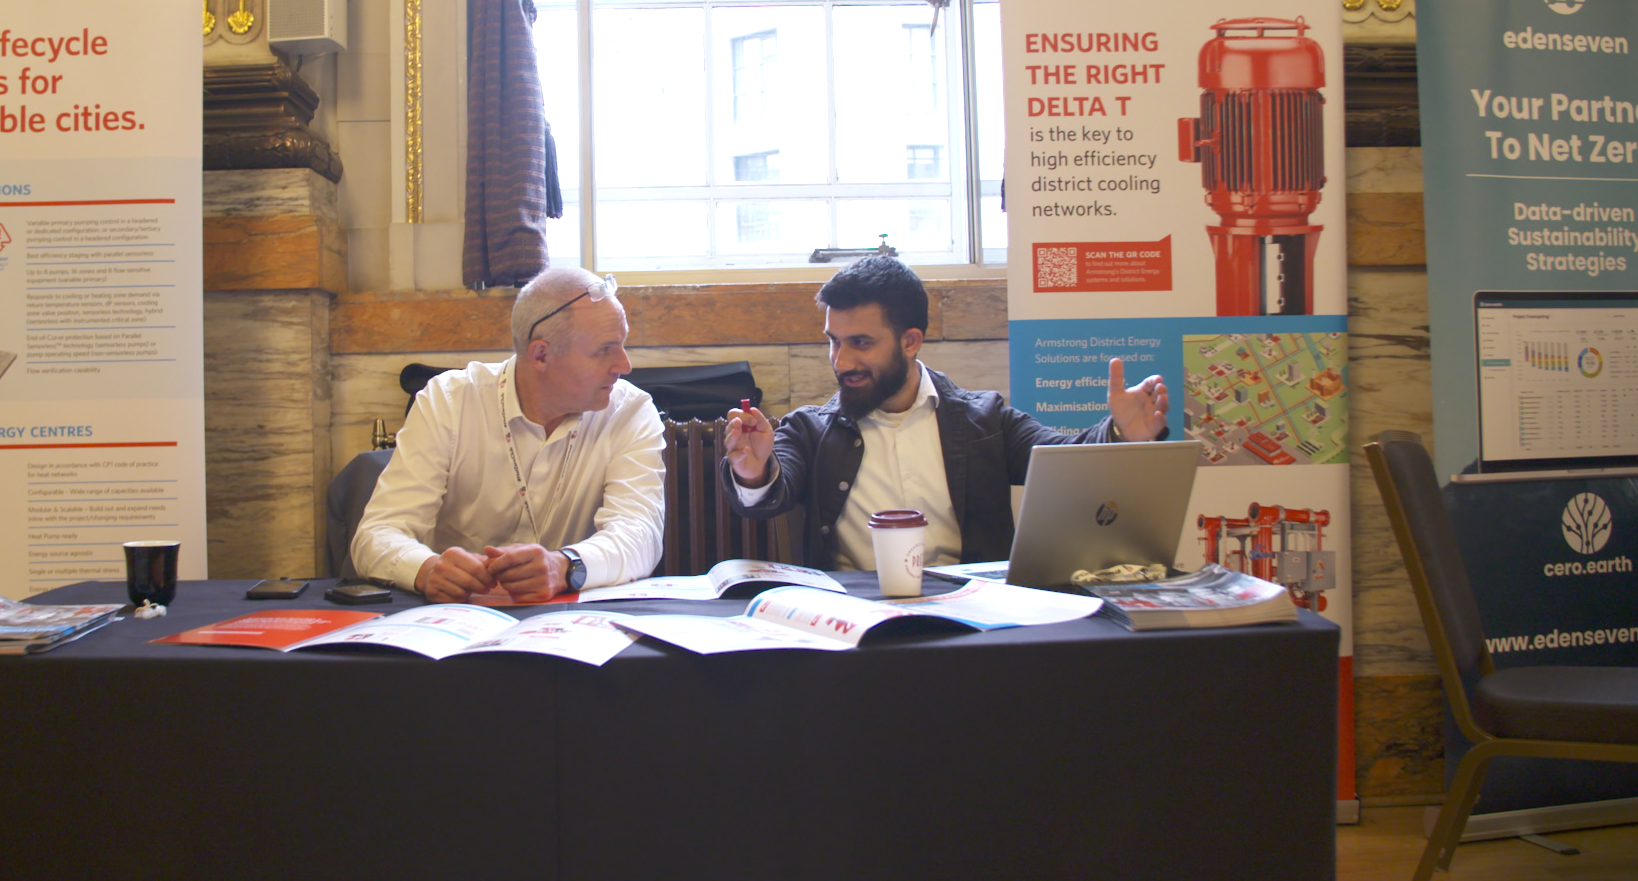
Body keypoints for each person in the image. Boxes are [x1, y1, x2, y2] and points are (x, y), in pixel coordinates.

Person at [720, 255, 1169, 570]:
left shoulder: (985, 421)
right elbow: (768, 496)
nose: (841, 361)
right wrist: (753, 470)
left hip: (973, 626)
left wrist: (1122, 433)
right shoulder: (809, 430)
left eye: (861, 343)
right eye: (833, 341)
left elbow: (1066, 462)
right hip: (855, 628)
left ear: (910, 341)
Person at [351, 267, 665, 601]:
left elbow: (640, 534)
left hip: (568, 624)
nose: (624, 365)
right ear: (541, 355)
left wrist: (565, 566)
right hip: (456, 620)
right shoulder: (449, 401)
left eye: (622, 345)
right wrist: (425, 569)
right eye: (605, 350)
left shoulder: (630, 410)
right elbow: (377, 535)